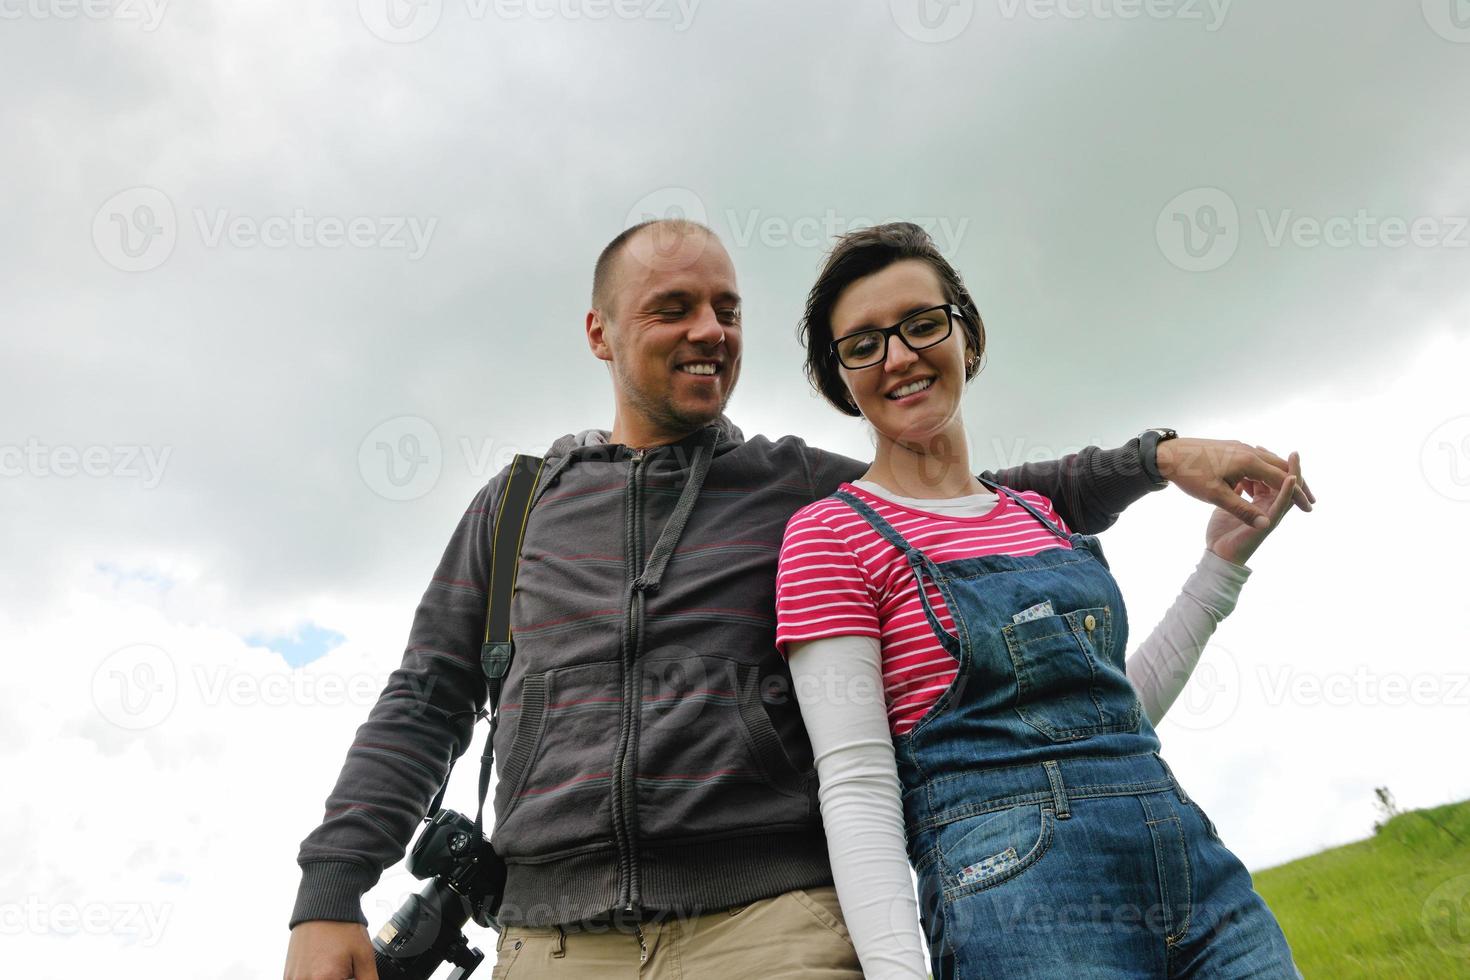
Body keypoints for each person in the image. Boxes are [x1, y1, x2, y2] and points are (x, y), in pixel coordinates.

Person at [283, 218, 1314, 979]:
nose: (711, 330)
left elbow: (983, 497)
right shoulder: (513, 508)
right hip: (552, 943)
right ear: (600, 333)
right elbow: (424, 699)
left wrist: (1160, 456)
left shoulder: (803, 490)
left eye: (729, 309)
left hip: (774, 926)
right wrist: (330, 890)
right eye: (675, 308)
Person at [775, 221, 1305, 979]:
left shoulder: (1037, 515)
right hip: (1019, 902)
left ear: (969, 336)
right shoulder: (831, 536)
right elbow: (858, 785)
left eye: (921, 325)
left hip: (1193, 868)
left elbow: (1115, 717)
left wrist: (1218, 569)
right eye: (862, 345)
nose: (897, 357)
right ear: (840, 378)